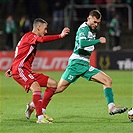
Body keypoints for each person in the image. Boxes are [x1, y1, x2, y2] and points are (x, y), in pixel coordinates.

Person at [54, 10, 127, 115]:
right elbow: (82, 43)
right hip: (77, 63)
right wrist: (98, 40)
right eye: (94, 22)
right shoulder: (83, 29)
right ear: (88, 19)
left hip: (83, 64)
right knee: (59, 88)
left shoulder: (92, 29)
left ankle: (111, 107)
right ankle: (35, 103)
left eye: (98, 22)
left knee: (107, 81)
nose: (96, 24)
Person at [5, 18, 70, 124]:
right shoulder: (31, 37)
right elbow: (42, 40)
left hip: (25, 70)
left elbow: (18, 52)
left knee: (53, 84)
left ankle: (37, 109)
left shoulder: (27, 37)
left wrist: (11, 67)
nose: (46, 31)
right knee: (36, 87)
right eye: (45, 29)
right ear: (38, 27)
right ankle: (40, 118)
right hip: (21, 70)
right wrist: (60, 36)